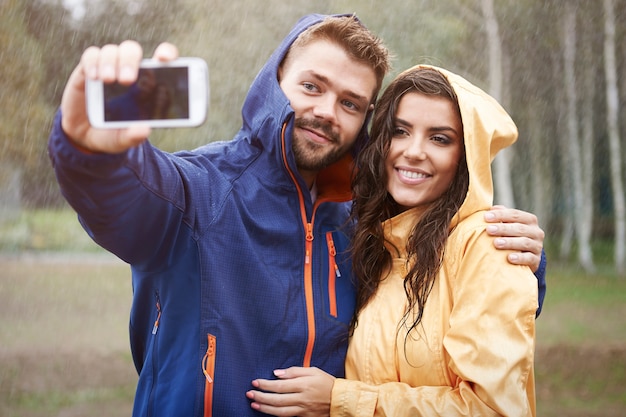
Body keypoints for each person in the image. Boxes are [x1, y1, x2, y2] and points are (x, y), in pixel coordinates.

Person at [48, 14, 545, 417]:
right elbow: (119, 197)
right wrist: (89, 150)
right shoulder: (200, 190)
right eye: (312, 86)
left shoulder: (363, 223)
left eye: (351, 103)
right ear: (274, 82)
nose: (328, 111)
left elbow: (446, 294)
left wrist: (519, 259)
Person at [247, 65, 539, 416]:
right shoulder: (376, 247)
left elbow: (491, 409)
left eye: (440, 138)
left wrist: (340, 401)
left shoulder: (487, 247)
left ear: (466, 158)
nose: (413, 151)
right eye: (400, 131)